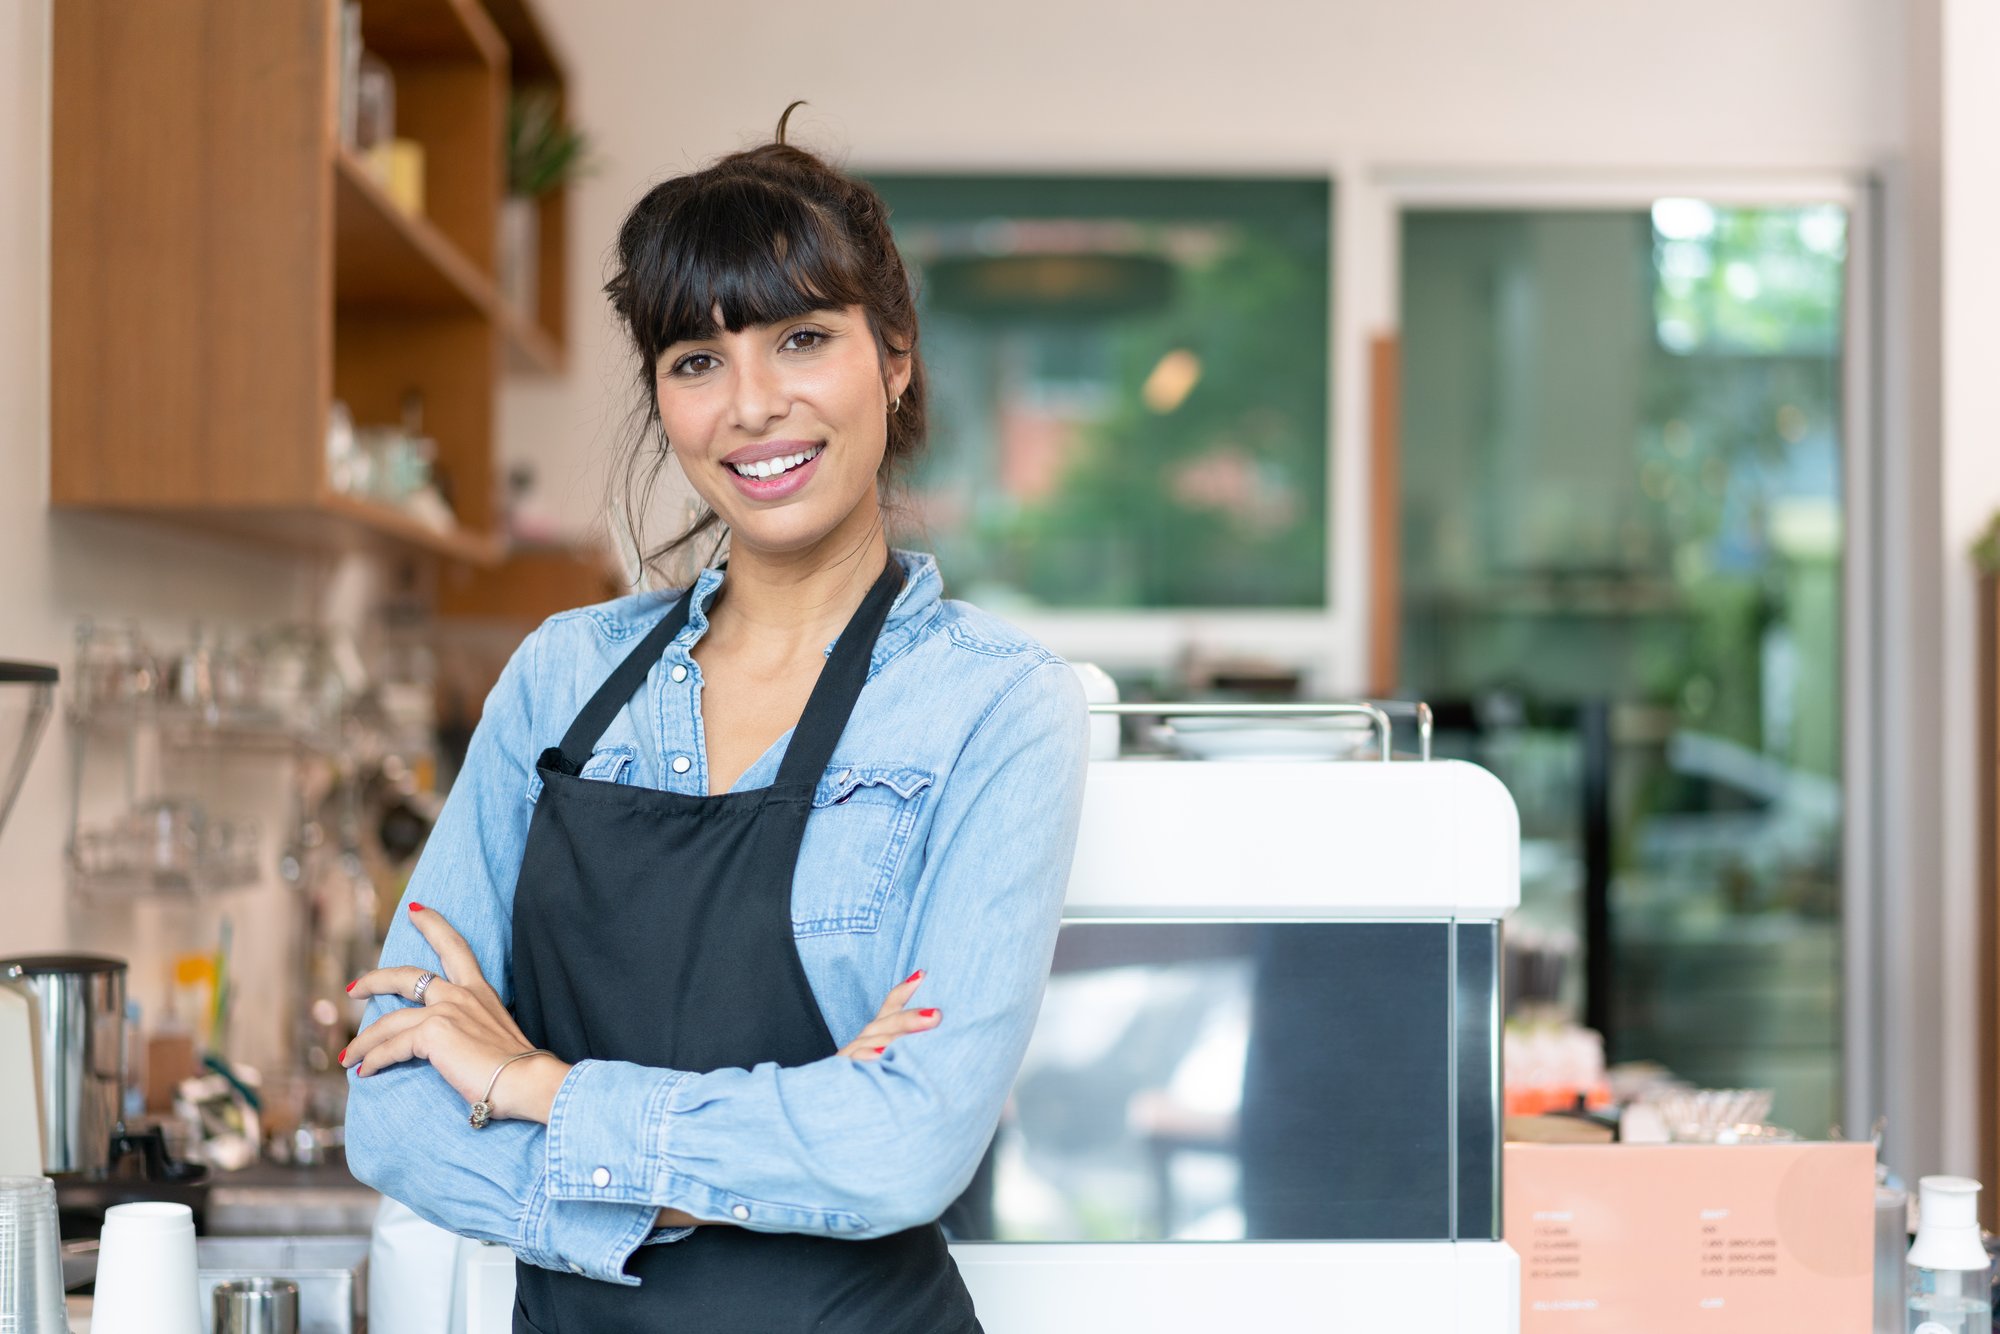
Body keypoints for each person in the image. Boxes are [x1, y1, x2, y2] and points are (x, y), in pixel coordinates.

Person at [341, 104, 1092, 1333]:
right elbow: (395, 1110)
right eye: (696, 359)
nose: (750, 405)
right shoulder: (558, 679)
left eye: (800, 338)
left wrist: (539, 1086)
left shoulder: (992, 705)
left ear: (893, 355)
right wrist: (790, 1144)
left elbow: (907, 1149)